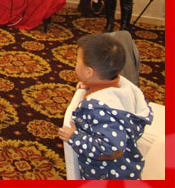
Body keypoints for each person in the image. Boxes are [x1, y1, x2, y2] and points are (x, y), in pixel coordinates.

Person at [58, 33, 153, 180]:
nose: (75, 64)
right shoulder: (121, 85)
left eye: (77, 61)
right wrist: (90, 85)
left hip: (109, 175)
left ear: (89, 72)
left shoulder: (99, 110)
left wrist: (75, 138)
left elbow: (114, 151)